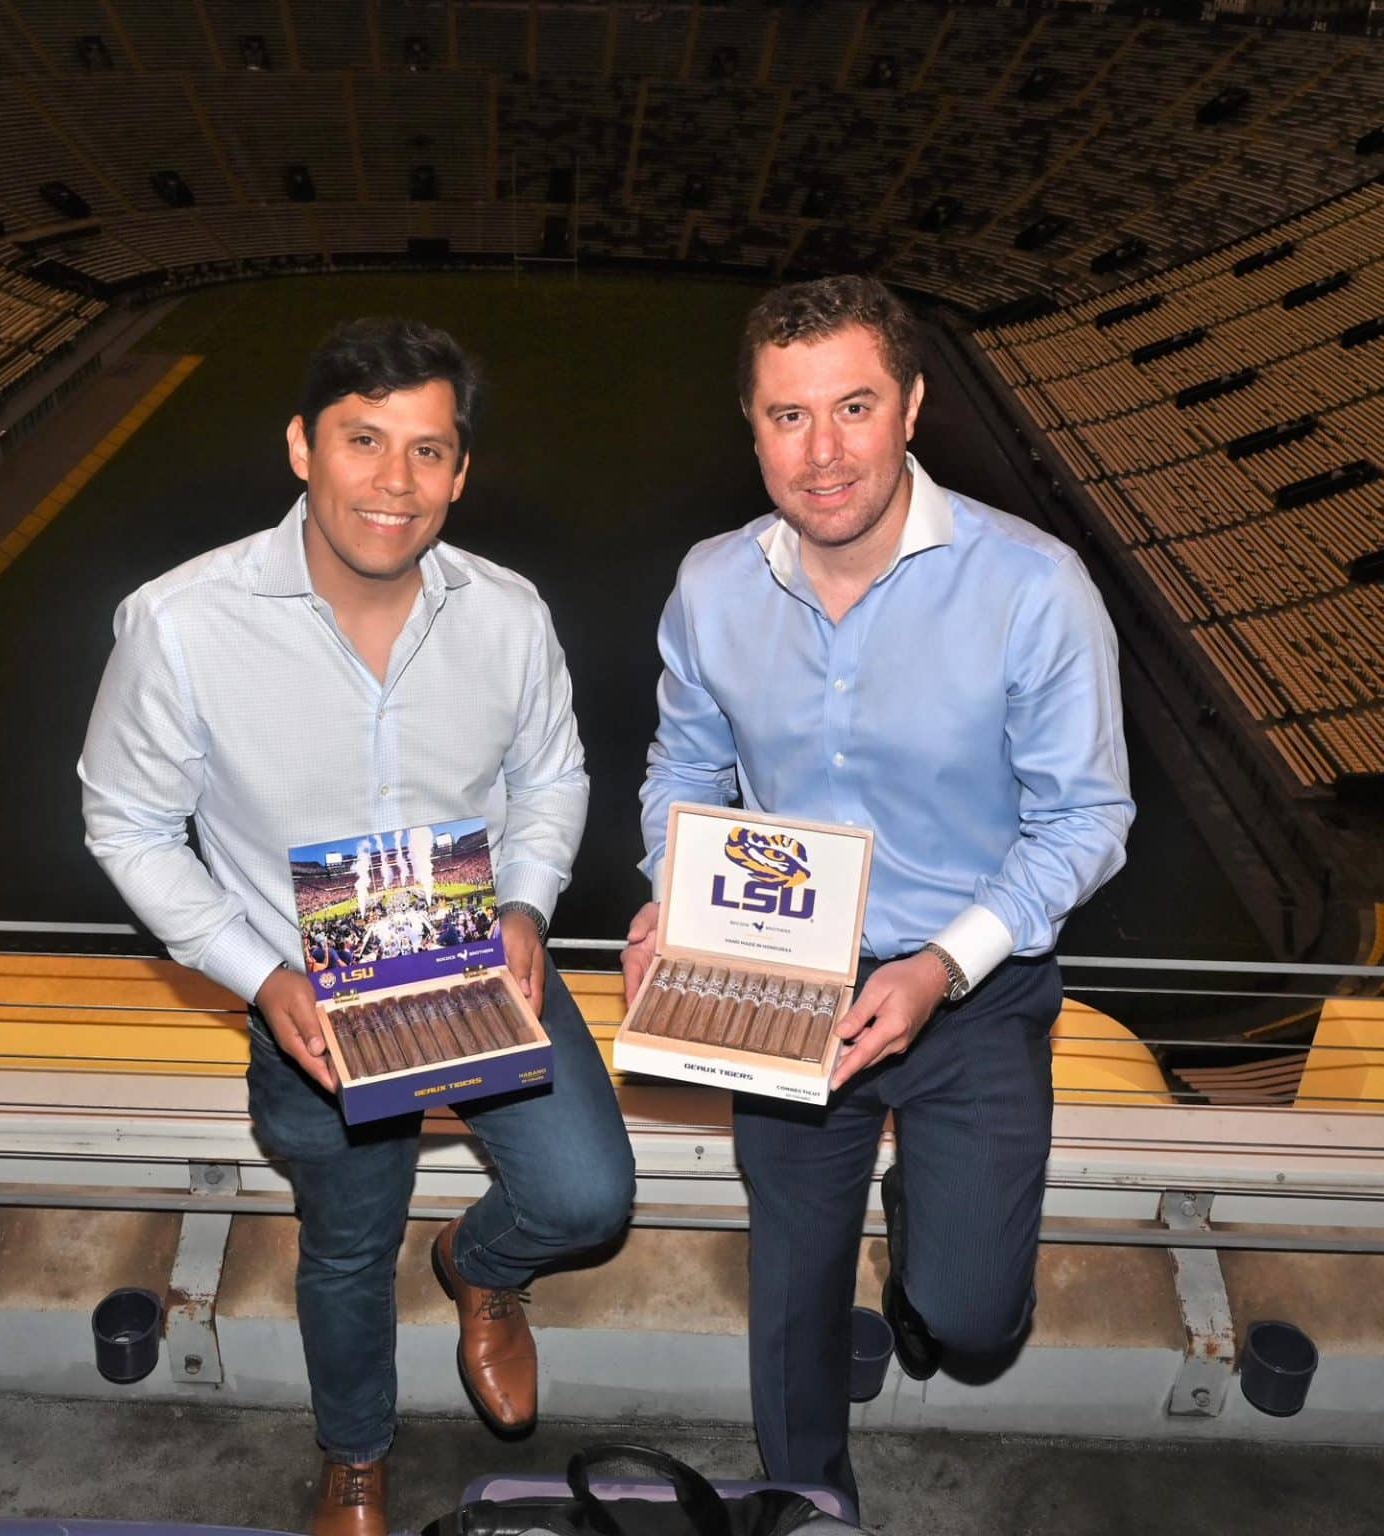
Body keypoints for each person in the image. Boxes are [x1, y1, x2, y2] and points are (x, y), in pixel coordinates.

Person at [81, 317, 635, 1536]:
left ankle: (482, 1267)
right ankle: (355, 1457)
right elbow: (124, 823)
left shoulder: (508, 611)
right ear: (301, 447)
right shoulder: (181, 624)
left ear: (461, 470)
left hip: (473, 964)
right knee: (343, 1250)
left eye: (428, 450)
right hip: (305, 996)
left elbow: (552, 776)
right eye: (364, 442)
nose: (396, 483)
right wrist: (259, 976)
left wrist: (530, 904)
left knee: (591, 1198)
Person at [622, 275, 1133, 1513]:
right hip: (785, 974)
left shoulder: (1032, 586)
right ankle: (808, 1506)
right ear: (750, 426)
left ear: (910, 406)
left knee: (972, 1315)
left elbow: (1089, 819)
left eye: (854, 407)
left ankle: (922, 1245)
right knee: (791, 1295)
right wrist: (668, 894)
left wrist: (938, 967)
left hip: (971, 982)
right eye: (788, 417)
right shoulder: (711, 585)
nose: (825, 452)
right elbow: (684, 767)